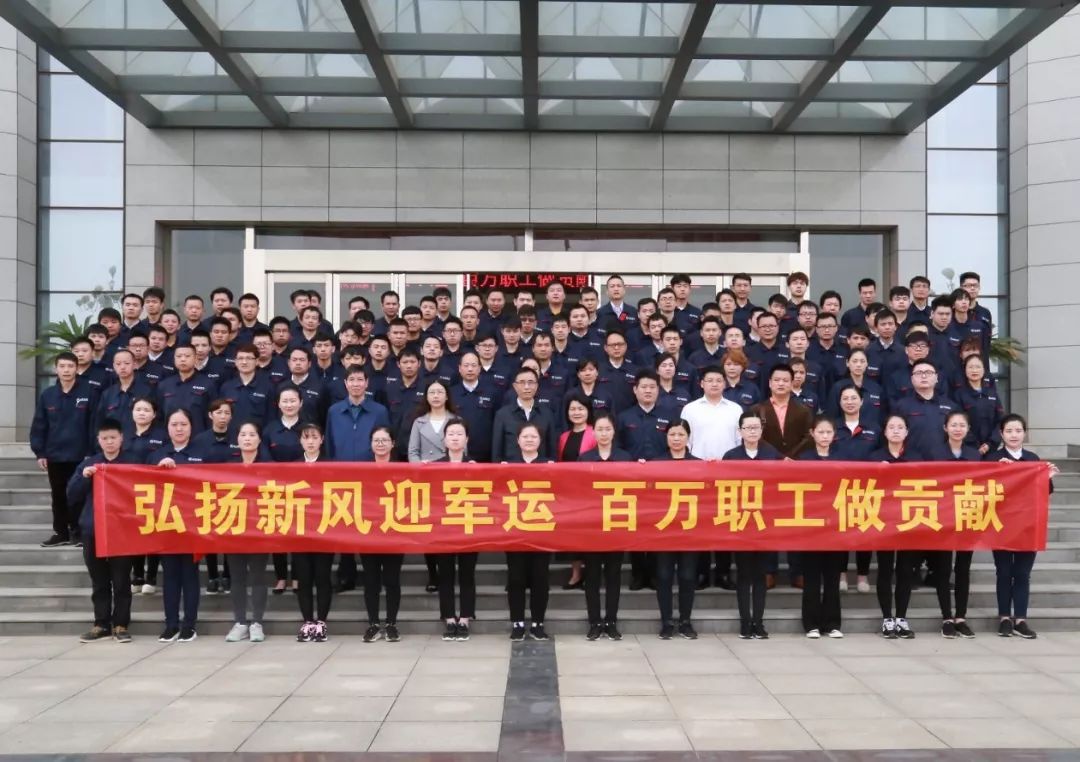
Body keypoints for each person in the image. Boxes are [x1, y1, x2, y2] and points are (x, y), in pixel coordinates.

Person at [988, 414, 1059, 639]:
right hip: (1001, 525)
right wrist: (998, 471)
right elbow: (985, 490)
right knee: (1003, 572)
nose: (1014, 435)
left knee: (1022, 573)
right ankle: (1004, 618)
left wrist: (1048, 477)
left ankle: (1020, 619)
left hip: (1028, 525)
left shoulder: (1032, 459)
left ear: (1024, 433)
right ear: (1001, 434)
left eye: (1018, 431)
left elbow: (1043, 492)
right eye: (1009, 431)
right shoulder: (994, 458)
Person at [68, 418, 138, 643]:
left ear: (121, 438)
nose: (109, 442)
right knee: (99, 580)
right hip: (93, 529)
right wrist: (84, 477)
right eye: (105, 438)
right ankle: (101, 624)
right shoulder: (90, 464)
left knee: (121, 580)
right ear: (98, 440)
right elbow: (71, 494)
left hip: (122, 531)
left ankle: (121, 624)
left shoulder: (131, 463)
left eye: (113, 438)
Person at [724, 411, 783, 639]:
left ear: (761, 430)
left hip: (764, 522)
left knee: (760, 575)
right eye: (747, 428)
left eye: (756, 427)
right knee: (744, 574)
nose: (752, 431)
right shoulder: (731, 456)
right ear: (739, 431)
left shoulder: (771, 454)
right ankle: (745, 621)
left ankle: (758, 621)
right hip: (740, 523)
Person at [870, 414, 925, 640]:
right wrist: (876, 471)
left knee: (905, 570)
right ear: (884, 432)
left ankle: (901, 617)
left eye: (900, 427)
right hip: (883, 520)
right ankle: (887, 618)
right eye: (891, 427)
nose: (895, 431)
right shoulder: (874, 457)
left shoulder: (916, 457)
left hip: (908, 520)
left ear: (906, 432)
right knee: (885, 569)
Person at [31, 351, 95, 548]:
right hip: (55, 455)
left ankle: (79, 533)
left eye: (70, 366)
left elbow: (94, 424)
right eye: (62, 366)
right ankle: (61, 533)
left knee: (78, 495)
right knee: (58, 496)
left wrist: (91, 452)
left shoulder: (89, 392)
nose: (66, 370)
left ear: (77, 368)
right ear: (56, 369)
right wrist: (40, 452)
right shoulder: (48, 395)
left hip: (81, 456)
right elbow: (40, 425)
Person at [151, 409, 205, 642]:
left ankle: (189, 625)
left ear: (191, 427)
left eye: (183, 424)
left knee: (190, 575)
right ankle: (171, 624)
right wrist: (158, 470)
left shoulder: (201, 453)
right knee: (170, 576)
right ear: (167, 428)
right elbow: (143, 485)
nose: (179, 428)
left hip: (193, 523)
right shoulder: (157, 454)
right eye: (174, 424)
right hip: (166, 523)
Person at [578, 412, 632, 640]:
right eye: (599, 429)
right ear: (593, 432)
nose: (603, 433)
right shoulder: (584, 459)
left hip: (617, 523)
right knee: (591, 576)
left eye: (607, 429)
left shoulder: (625, 458)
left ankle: (611, 620)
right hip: (592, 526)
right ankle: (594, 621)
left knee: (613, 576)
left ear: (614, 431)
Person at [930, 411, 982, 639]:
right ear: (945, 428)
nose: (958, 429)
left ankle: (961, 616)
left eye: (962, 425)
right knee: (943, 569)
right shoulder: (935, 453)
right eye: (953, 425)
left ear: (968, 429)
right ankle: (946, 618)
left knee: (963, 569)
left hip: (967, 515)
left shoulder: (974, 454)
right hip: (942, 516)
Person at [221, 422, 271, 642]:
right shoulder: (228, 467)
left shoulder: (270, 466)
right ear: (237, 440)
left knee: (258, 575)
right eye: (243, 435)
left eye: (252, 434)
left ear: (259, 439)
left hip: (260, 528)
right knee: (237, 577)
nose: (248, 438)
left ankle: (257, 622)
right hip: (234, 527)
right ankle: (240, 622)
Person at [797, 416, 844, 639]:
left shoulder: (843, 459)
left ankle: (833, 623)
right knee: (812, 578)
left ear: (834, 435)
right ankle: (811, 624)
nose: (825, 436)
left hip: (836, 524)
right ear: (812, 433)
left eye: (828, 432)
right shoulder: (804, 459)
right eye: (821, 432)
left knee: (833, 577)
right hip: (811, 525)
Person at [505, 423, 553, 641]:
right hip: (515, 531)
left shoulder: (549, 466)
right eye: (525, 436)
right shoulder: (508, 465)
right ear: (518, 440)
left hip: (542, 531)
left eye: (534, 436)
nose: (529, 440)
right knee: (516, 578)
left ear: (540, 441)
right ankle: (517, 623)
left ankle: (537, 623)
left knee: (540, 579)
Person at [408, 379, 456, 591]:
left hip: (450, 481)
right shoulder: (419, 422)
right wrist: (421, 467)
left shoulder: (456, 421)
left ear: (446, 396)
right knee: (430, 529)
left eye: (440, 392)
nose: (436, 396)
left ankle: (448, 572)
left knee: (449, 527)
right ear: (426, 397)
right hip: (427, 482)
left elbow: (462, 449)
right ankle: (433, 574)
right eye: (432, 392)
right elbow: (412, 452)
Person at [653, 419, 700, 640]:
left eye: (681, 434)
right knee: (663, 576)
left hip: (690, 530)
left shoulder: (699, 464)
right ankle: (666, 621)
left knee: (688, 576)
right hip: (664, 529)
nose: (676, 439)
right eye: (672, 434)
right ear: (666, 437)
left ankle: (685, 621)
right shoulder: (656, 463)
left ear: (688, 437)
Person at [434, 418, 477, 641]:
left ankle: (466, 617)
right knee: (446, 575)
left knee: (467, 574)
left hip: (469, 527)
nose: (455, 438)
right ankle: (449, 618)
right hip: (444, 529)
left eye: (459, 434)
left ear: (467, 439)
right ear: (444, 439)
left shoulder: (475, 467)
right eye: (450, 434)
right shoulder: (434, 467)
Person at [361, 426, 405, 643]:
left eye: (384, 440)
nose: (380, 444)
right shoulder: (361, 470)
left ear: (392, 443)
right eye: (376, 440)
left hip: (394, 531)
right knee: (371, 580)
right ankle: (373, 624)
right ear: (371, 444)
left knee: (392, 579)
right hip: (368, 532)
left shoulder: (402, 469)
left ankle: (391, 623)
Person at [293, 423, 334, 642]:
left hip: (324, 530)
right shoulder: (292, 467)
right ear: (300, 440)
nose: (310, 441)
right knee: (304, 578)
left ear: (322, 440)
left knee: (322, 577)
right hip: (299, 531)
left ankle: (321, 622)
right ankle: (307, 621)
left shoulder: (331, 466)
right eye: (306, 437)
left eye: (314, 437)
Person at [126, 397, 166, 594]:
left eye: (146, 410)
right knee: (135, 533)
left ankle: (151, 576)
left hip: (154, 491)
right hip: (128, 490)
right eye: (138, 409)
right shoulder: (124, 435)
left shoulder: (161, 435)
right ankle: (137, 574)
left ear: (154, 414)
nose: (142, 413)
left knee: (153, 532)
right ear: (132, 412)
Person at [557, 393, 595, 590]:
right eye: (572, 409)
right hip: (569, 492)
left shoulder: (595, 433)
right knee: (573, 534)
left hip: (590, 492)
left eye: (581, 408)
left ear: (588, 411)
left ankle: (590, 572)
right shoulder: (564, 436)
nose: (576, 412)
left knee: (589, 533)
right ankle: (576, 573)